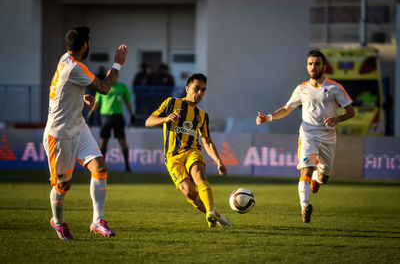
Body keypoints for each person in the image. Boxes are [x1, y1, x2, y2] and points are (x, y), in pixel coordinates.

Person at [43, 25, 128, 240]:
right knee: (63, 185)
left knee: (99, 167)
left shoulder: (66, 60)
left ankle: (97, 220)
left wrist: (80, 97)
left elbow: (61, 89)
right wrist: (118, 62)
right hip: (59, 134)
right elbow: (105, 87)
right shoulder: (75, 67)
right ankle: (58, 222)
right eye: (89, 42)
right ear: (84, 45)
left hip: (77, 126)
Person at [256, 50, 355, 223]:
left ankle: (317, 178)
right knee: (306, 169)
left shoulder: (335, 88)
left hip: (328, 138)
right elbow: (287, 109)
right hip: (308, 134)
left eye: (317, 63)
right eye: (310, 64)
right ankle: (305, 206)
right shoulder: (301, 89)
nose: (313, 67)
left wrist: (337, 118)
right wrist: (269, 117)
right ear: (307, 66)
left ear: (324, 66)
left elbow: (351, 111)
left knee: (323, 177)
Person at [145, 73, 232, 228]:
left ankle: (210, 214)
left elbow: (207, 141)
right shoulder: (171, 103)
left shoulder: (203, 116)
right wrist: (165, 119)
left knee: (199, 174)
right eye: (196, 88)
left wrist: (218, 161)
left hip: (192, 151)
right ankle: (214, 213)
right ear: (187, 89)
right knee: (189, 192)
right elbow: (148, 121)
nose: (199, 93)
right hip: (172, 157)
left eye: (203, 90)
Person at [88, 77, 135, 172]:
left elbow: (128, 102)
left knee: (122, 142)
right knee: (103, 142)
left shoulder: (122, 87)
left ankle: (127, 166)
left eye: (115, 75)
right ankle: (101, 166)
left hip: (118, 117)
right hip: (105, 117)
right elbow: (96, 103)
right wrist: (91, 114)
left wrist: (131, 114)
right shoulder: (102, 87)